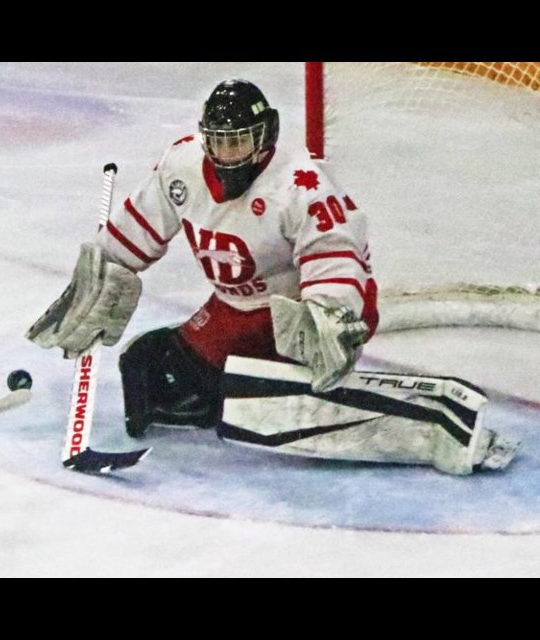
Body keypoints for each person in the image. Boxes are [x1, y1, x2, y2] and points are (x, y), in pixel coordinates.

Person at [27, 80, 518, 475]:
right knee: (154, 368)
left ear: (264, 138)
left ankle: (440, 427)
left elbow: (334, 250)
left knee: (260, 404)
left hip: (306, 311)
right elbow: (139, 228)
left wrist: (330, 314)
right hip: (236, 307)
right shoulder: (183, 167)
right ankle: (241, 389)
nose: (227, 153)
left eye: (239, 140)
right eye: (218, 140)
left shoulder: (299, 183)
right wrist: (102, 272)